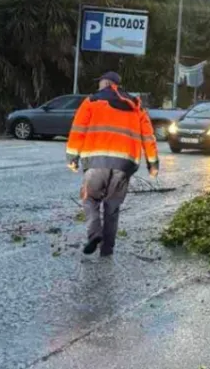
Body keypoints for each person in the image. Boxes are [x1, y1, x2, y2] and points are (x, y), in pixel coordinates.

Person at [66, 71, 160, 257]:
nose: (98, 86)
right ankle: (107, 249)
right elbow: (148, 137)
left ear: (106, 83)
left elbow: (78, 131)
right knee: (112, 206)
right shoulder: (136, 106)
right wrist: (153, 164)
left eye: (99, 82)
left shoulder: (91, 102)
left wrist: (72, 158)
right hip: (124, 164)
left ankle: (94, 234)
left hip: (96, 161)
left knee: (90, 199)